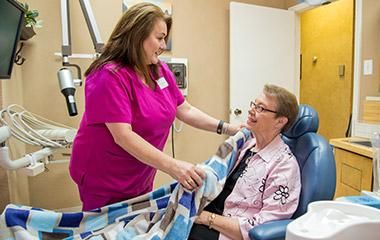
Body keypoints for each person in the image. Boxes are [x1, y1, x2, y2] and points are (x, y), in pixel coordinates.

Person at [69, 2, 240, 211]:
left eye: (165, 38)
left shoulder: (158, 70)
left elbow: (184, 109)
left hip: (139, 173)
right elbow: (123, 135)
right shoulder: (108, 76)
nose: (163, 45)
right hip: (104, 176)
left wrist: (228, 127)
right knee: (105, 229)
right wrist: (174, 166)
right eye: (159, 38)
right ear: (137, 35)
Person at [188, 84, 301, 240]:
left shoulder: (284, 166)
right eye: (254, 104)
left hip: (226, 231)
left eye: (261, 108)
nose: (251, 110)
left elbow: (262, 226)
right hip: (207, 213)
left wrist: (206, 218)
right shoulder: (245, 144)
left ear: (280, 121)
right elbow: (214, 170)